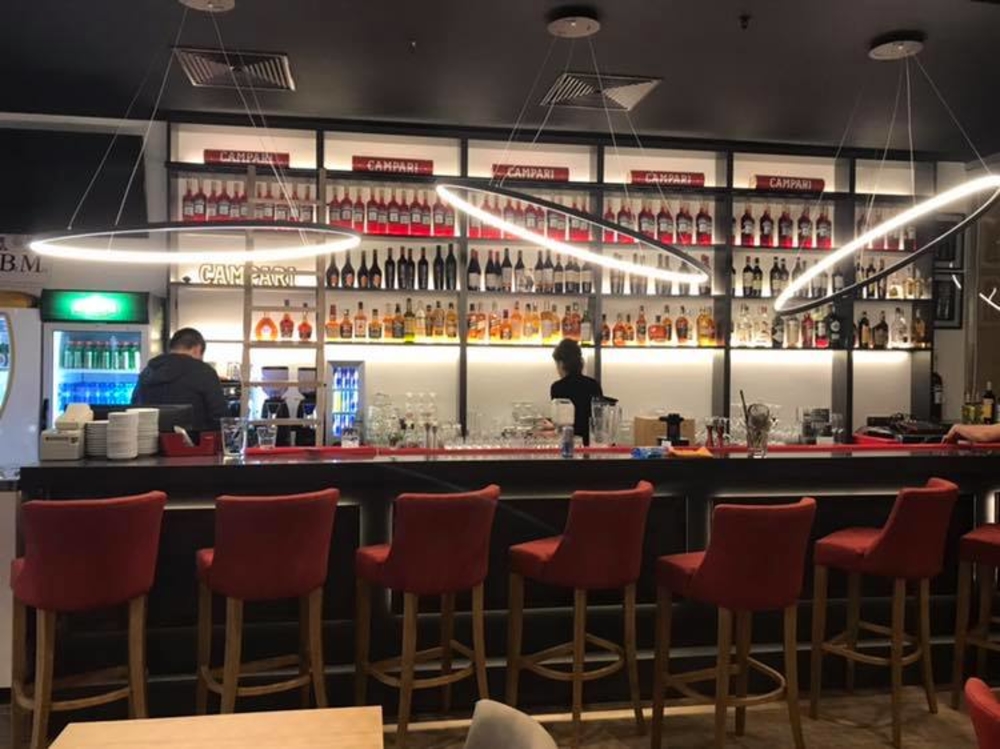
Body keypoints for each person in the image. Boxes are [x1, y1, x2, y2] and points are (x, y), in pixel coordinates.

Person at [131, 328, 227, 432]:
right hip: (192, 441)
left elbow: (134, 407)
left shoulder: (148, 371)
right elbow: (220, 417)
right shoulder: (204, 372)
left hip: (147, 439)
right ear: (197, 349)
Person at [550, 338, 603, 445]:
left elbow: (561, 423)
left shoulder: (557, 387)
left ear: (561, 363)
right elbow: (598, 418)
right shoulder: (593, 385)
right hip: (591, 443)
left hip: (568, 443)